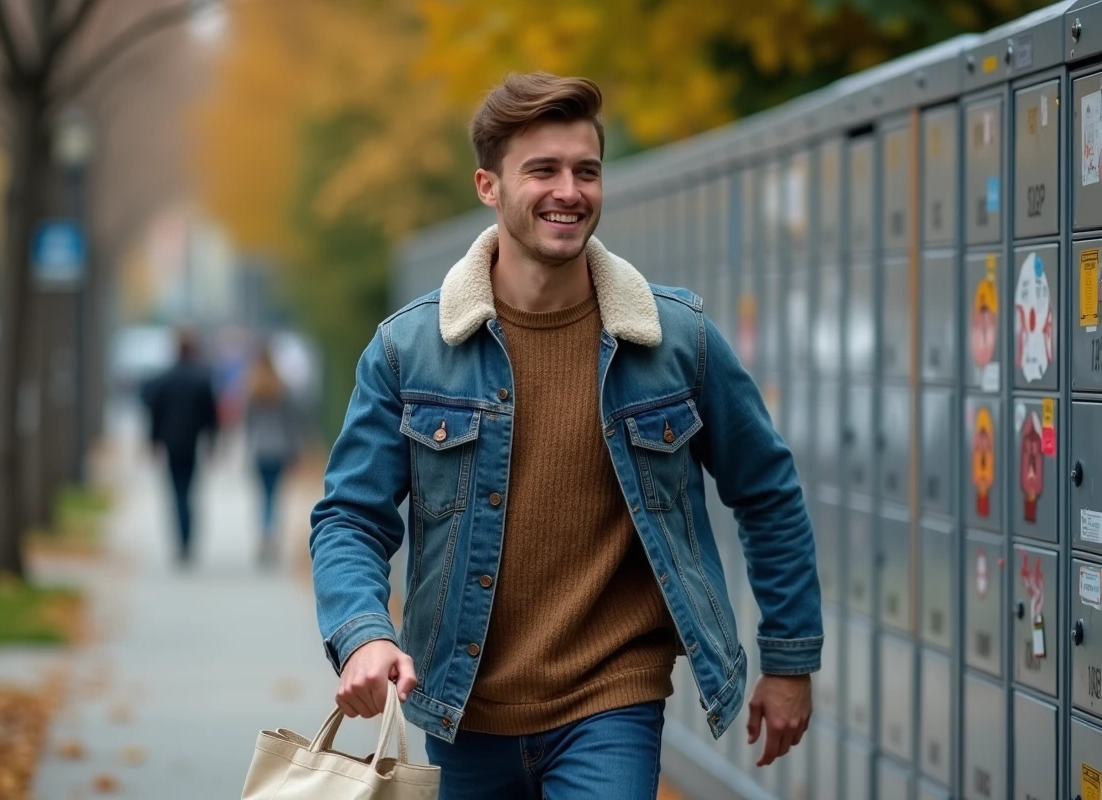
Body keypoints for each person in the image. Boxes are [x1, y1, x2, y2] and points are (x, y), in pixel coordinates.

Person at [309, 72, 822, 799]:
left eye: (586, 170)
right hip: (463, 710)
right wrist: (365, 631)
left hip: (612, 699)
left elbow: (767, 491)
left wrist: (790, 658)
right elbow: (349, 517)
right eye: (542, 170)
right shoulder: (409, 351)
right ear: (488, 186)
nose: (569, 191)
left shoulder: (675, 340)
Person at [143, 329, 219, 566]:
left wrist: (153, 441)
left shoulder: (164, 379)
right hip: (192, 443)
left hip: (170, 444)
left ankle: (181, 541)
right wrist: (212, 442)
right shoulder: (201, 379)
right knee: (189, 492)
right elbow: (211, 415)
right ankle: (187, 540)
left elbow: (154, 413)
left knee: (176, 492)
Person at [243, 343, 304, 566]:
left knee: (264, 496)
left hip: (260, 449)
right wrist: (295, 451)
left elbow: (248, 424)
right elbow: (291, 423)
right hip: (280, 449)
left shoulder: (252, 390)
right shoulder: (282, 390)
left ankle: (265, 533)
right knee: (275, 495)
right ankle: (271, 533)